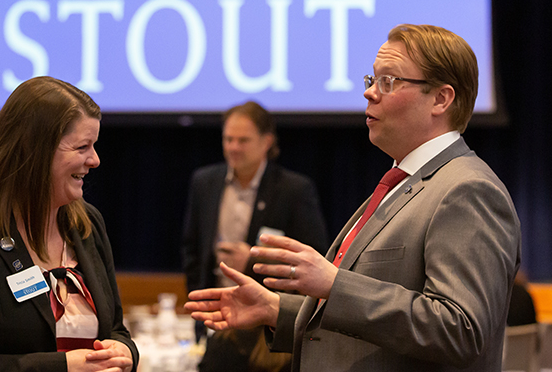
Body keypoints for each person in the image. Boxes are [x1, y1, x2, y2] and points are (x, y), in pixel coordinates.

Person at [185, 24, 522, 372]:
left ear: (441, 98)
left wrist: (334, 284)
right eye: (371, 80)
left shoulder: (467, 190)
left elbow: (460, 330)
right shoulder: (401, 183)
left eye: (389, 81)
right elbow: (361, 317)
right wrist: (277, 310)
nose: (370, 94)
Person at [0, 77, 137, 372]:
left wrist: (124, 351)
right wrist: (62, 367)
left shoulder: (86, 224)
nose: (94, 160)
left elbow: (116, 328)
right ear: (34, 150)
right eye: (82, 147)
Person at [182, 101, 327, 372]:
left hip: (267, 338)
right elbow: (192, 250)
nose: (234, 147)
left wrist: (250, 260)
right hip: (215, 321)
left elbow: (314, 260)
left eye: (243, 140)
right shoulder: (204, 182)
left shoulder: (293, 190)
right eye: (228, 139)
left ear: (266, 141)